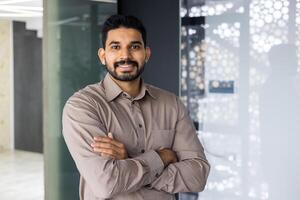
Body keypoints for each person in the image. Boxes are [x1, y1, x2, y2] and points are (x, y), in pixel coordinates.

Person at [62, 14, 210, 200]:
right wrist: (161, 158)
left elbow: (198, 176)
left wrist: (127, 161)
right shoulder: (83, 106)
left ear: (146, 54)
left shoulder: (171, 104)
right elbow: (106, 182)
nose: (125, 56)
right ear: (103, 55)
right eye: (116, 47)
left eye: (134, 47)